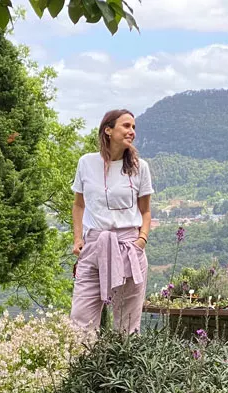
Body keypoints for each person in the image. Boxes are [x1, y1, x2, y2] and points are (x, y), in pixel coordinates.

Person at [70, 108, 153, 336]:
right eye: (126, 126)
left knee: (126, 325)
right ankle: (82, 369)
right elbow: (79, 204)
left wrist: (141, 241)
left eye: (133, 127)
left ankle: (123, 371)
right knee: (80, 322)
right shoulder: (86, 163)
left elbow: (145, 211)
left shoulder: (140, 168)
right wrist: (78, 238)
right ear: (108, 130)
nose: (132, 131)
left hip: (128, 248)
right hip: (94, 246)